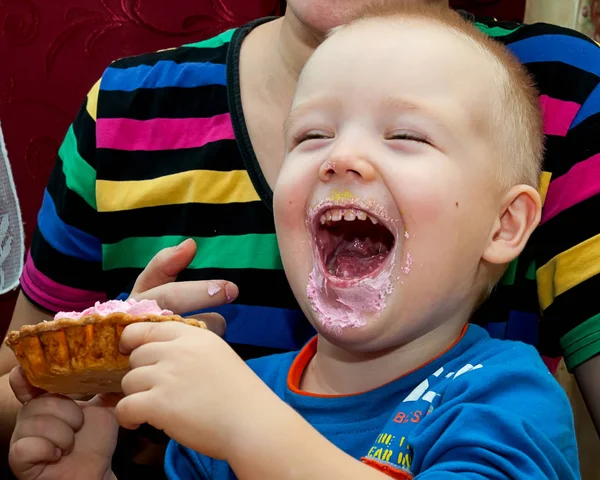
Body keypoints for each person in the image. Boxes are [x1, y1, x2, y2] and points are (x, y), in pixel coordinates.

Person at [1, 0, 599, 473]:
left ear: (506, 224)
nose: (340, 158)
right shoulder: (232, 398)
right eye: (310, 135)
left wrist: (250, 431)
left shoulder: (507, 404)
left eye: (406, 137)